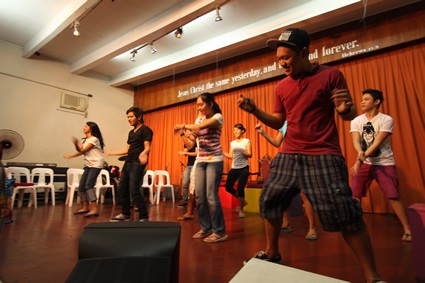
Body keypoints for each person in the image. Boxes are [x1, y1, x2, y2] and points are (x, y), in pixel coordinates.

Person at [238, 28, 383, 282]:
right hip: (288, 154)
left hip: (323, 155)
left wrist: (344, 109)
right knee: (269, 202)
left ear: (304, 52)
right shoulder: (281, 85)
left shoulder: (331, 75)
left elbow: (347, 114)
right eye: (279, 59)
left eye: (287, 57)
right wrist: (255, 111)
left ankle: (373, 277)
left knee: (346, 213)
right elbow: (278, 121)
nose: (282, 63)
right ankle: (272, 253)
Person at [350, 88, 412, 242]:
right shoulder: (356, 121)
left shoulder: (386, 119)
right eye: (362, 99)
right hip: (364, 161)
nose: (362, 101)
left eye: (366, 99)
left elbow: (377, 143)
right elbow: (356, 141)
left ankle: (407, 229)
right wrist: (360, 155)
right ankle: (355, 227)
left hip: (384, 162)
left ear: (377, 102)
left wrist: (359, 160)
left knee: (393, 195)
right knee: (355, 194)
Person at [174, 92, 227, 243]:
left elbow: (200, 127)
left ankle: (220, 231)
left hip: (214, 160)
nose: (199, 107)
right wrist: (182, 133)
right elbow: (191, 144)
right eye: (197, 105)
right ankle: (205, 228)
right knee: (199, 197)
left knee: (211, 196)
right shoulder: (198, 119)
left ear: (210, 104)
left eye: (201, 104)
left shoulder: (218, 117)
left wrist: (184, 125)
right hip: (200, 160)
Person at [256, 122, 318, 240]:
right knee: (282, 191)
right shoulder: (285, 123)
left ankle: (312, 228)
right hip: (288, 159)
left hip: (305, 159)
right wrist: (263, 133)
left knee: (304, 194)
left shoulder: (304, 119)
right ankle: (286, 222)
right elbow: (276, 142)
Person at [108, 106, 153, 222]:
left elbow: (147, 147)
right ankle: (125, 213)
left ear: (139, 117)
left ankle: (143, 216)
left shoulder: (146, 130)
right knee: (122, 188)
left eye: (131, 116)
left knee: (134, 189)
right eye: (128, 117)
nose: (129, 119)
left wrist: (144, 153)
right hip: (128, 162)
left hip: (137, 163)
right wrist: (113, 153)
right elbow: (127, 150)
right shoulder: (131, 133)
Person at [64, 121, 105, 217]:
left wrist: (73, 151)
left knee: (88, 185)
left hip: (96, 164)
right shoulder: (84, 140)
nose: (84, 127)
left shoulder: (94, 139)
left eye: (86, 126)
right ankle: (85, 207)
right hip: (88, 165)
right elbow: (80, 151)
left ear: (91, 128)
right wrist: (72, 154)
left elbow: (83, 151)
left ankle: (94, 209)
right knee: (82, 186)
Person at [223, 123, 252, 218]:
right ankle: (242, 201)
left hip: (244, 167)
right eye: (234, 130)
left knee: (240, 188)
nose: (235, 132)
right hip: (234, 167)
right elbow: (231, 156)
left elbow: (250, 154)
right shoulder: (232, 143)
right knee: (228, 187)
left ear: (242, 131)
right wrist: (222, 152)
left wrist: (242, 151)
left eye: (237, 130)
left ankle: (241, 210)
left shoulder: (247, 141)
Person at [176, 129, 197, 220]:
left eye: (189, 131)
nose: (187, 133)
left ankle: (194, 204)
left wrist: (185, 152)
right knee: (185, 183)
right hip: (189, 165)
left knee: (194, 186)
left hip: (195, 164)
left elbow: (196, 153)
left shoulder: (196, 141)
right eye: (186, 132)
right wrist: (185, 151)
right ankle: (185, 201)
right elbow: (186, 151)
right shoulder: (187, 142)